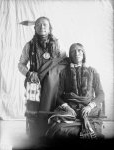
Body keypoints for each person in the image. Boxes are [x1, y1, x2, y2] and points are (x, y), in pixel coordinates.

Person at [18, 16, 66, 146]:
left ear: (50, 28)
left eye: (45, 24)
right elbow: (21, 64)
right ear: (34, 28)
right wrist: (28, 73)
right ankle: (34, 135)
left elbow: (63, 60)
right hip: (35, 82)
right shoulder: (29, 45)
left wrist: (52, 74)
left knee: (52, 106)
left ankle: (50, 134)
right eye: (38, 24)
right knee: (33, 110)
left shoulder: (58, 43)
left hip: (52, 82)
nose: (42, 27)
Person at [46, 43, 105, 142]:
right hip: (71, 109)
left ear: (84, 53)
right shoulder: (64, 72)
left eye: (79, 50)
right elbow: (57, 95)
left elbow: (101, 93)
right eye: (73, 51)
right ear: (70, 55)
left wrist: (89, 106)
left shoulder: (92, 71)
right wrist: (67, 107)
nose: (76, 53)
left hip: (88, 109)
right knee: (59, 130)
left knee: (95, 131)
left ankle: (86, 128)